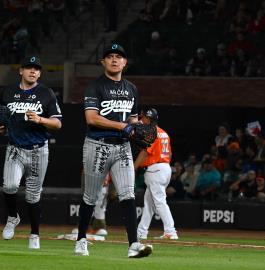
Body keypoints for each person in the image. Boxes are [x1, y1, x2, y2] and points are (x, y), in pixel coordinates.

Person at [74, 44, 153, 258]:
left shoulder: (132, 89)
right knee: (90, 196)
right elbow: (91, 118)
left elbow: (133, 120)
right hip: (97, 145)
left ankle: (133, 244)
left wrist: (136, 130)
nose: (115, 60)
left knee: (127, 194)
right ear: (103, 62)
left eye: (119, 57)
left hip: (122, 147)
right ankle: (81, 239)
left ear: (125, 63)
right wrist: (122, 126)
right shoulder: (95, 87)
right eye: (110, 57)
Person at [0, 56, 62, 249]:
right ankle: (12, 217)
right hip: (15, 148)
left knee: (33, 196)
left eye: (37, 69)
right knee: (10, 185)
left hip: (39, 150)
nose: (33, 71)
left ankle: (34, 234)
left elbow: (57, 123)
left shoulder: (46, 93)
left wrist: (40, 120)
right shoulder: (8, 92)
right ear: (20, 71)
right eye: (29, 68)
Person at [135, 108, 178, 240]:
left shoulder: (151, 132)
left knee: (159, 201)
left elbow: (145, 152)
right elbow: (169, 154)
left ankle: (170, 231)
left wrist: (134, 167)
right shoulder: (163, 132)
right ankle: (141, 232)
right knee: (149, 203)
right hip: (165, 168)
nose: (142, 120)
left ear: (148, 119)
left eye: (144, 118)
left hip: (155, 169)